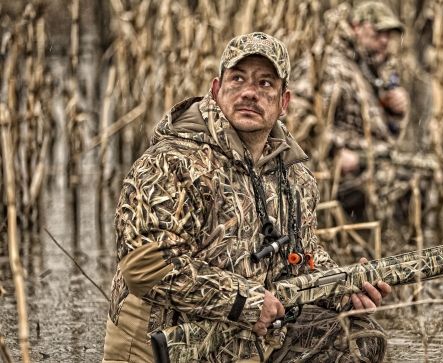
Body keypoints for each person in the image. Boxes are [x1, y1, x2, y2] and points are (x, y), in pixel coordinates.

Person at [101, 32, 391, 363]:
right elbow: (145, 267)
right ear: (216, 90)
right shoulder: (172, 162)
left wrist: (342, 287)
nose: (250, 92)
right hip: (161, 348)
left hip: (249, 343)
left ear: (284, 102)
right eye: (238, 79)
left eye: (266, 83)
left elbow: (301, 256)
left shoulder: (295, 176)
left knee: (356, 338)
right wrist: (245, 302)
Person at [288, 2, 411, 223]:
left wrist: (396, 112)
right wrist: (334, 153)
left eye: (388, 34)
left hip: (372, 161)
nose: (385, 40)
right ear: (356, 27)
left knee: (411, 178)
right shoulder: (330, 66)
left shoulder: (370, 68)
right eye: (378, 32)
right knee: (396, 184)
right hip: (336, 174)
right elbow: (296, 120)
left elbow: (381, 130)